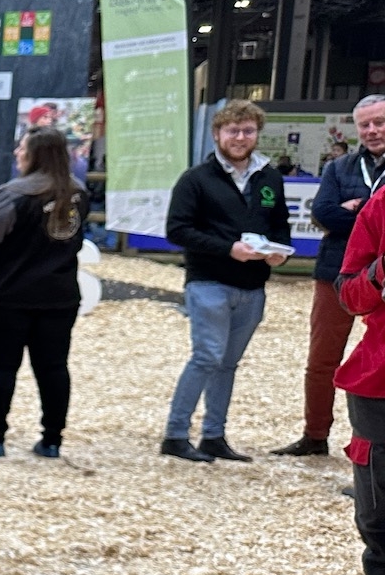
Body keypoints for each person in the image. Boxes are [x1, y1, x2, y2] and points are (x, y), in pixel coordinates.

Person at [160, 99, 291, 463]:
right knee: (206, 356)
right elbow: (177, 229)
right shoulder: (196, 179)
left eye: (248, 130)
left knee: (228, 363)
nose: (240, 137)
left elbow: (279, 222)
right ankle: (175, 434)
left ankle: (214, 435)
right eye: (233, 130)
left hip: (253, 285)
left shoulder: (269, 176)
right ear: (217, 133)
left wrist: (281, 250)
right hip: (209, 281)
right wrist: (226, 249)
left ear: (257, 134)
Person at [0, 127, 86, 459]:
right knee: (54, 368)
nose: (17, 152)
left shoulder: (14, 194)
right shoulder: (77, 193)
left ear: (36, 154)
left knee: (1, 368)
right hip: (60, 296)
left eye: (22, 147)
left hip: (8, 296)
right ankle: (51, 440)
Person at [277, 93, 385, 456]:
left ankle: (371, 446)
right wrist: (370, 216)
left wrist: (357, 210)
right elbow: (322, 213)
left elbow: (341, 216)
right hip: (338, 273)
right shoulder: (339, 168)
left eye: (379, 122)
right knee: (322, 358)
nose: (372, 131)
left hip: (381, 278)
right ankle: (315, 433)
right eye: (365, 125)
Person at [329, 185, 385, 575]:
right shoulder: (382, 203)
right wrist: (380, 274)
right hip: (379, 385)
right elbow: (348, 291)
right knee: (382, 529)